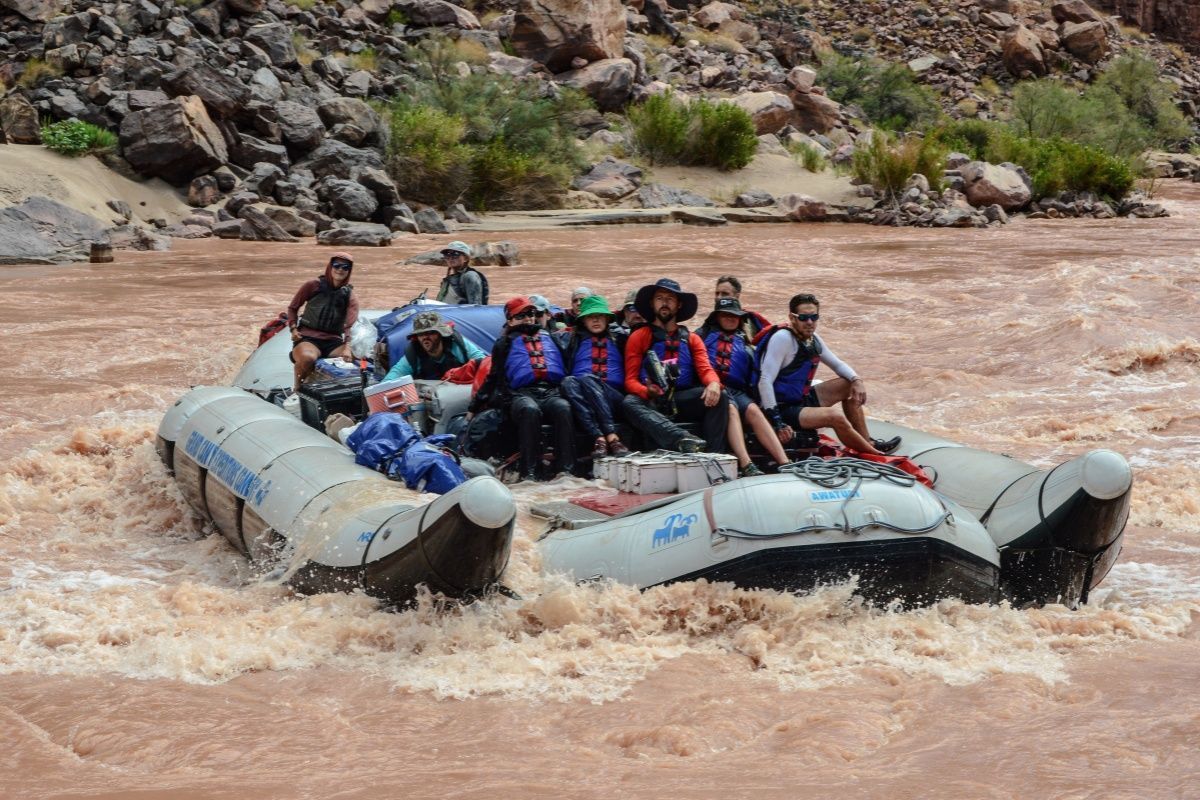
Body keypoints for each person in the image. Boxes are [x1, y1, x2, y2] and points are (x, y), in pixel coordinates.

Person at [756, 293, 901, 456]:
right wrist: (777, 422)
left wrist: (857, 380)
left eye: (814, 317)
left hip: (801, 399)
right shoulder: (782, 339)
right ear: (792, 317)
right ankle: (874, 454)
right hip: (783, 409)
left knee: (848, 384)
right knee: (834, 416)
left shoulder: (813, 339)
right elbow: (765, 381)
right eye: (803, 317)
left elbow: (837, 364)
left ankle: (867, 440)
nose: (810, 322)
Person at [468, 296, 577, 481]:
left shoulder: (549, 338)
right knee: (529, 410)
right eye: (522, 315)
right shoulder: (503, 344)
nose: (528, 318)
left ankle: (566, 471)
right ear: (510, 320)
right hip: (519, 394)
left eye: (532, 313)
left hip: (549, 391)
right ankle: (530, 472)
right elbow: (493, 377)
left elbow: (566, 364)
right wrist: (473, 407)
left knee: (563, 408)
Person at [622, 278, 730, 454]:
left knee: (721, 396)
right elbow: (630, 380)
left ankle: (714, 455)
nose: (664, 303)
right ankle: (681, 438)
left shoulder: (692, 339)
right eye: (659, 298)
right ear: (652, 303)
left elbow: (705, 369)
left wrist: (714, 383)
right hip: (653, 400)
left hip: (681, 399)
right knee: (629, 402)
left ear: (679, 305)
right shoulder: (639, 336)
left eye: (670, 299)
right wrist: (646, 392)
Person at [696, 297, 789, 473]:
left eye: (735, 316)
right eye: (725, 315)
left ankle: (785, 462)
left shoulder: (745, 343)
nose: (730, 319)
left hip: (737, 390)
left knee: (754, 410)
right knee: (730, 409)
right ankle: (747, 465)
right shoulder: (702, 337)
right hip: (713, 388)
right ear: (717, 317)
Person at [558, 295, 632, 460]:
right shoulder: (570, 340)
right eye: (591, 316)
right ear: (583, 320)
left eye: (600, 316)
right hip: (583, 397)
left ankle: (612, 436)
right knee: (568, 381)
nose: (596, 320)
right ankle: (599, 437)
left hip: (613, 397)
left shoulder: (621, 338)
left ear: (607, 318)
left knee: (587, 378)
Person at [288, 252, 360, 391]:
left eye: (345, 267)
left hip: (333, 342)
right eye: (336, 265)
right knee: (308, 358)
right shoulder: (312, 285)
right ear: (330, 266)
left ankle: (333, 390)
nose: (340, 269)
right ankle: (297, 389)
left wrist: (348, 347)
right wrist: (293, 328)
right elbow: (293, 308)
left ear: (349, 271)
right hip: (308, 338)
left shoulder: (349, 295)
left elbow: (351, 324)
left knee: (358, 358)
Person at [383, 310, 488, 381]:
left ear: (440, 334)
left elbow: (484, 363)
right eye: (421, 334)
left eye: (430, 333)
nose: (425, 338)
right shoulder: (413, 354)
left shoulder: (457, 345)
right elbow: (393, 376)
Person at [714, 275, 771, 340]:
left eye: (725, 294)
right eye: (717, 293)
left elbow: (770, 335)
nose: (719, 297)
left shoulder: (752, 318)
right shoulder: (709, 321)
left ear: (737, 296)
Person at [435, 241, 488, 305]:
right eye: (447, 254)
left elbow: (475, 308)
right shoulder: (448, 280)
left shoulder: (470, 276)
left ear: (465, 258)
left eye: (455, 254)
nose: (451, 258)